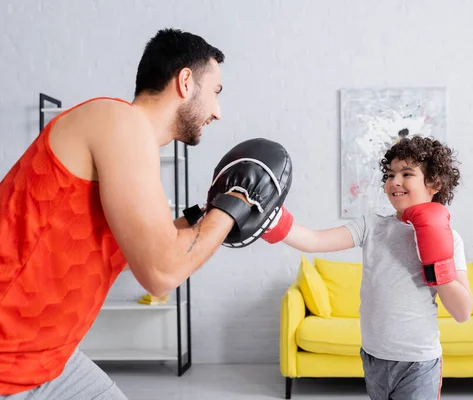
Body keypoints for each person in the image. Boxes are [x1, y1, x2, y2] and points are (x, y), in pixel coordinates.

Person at [0, 28, 282, 399]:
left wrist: (210, 211)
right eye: (215, 93)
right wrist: (237, 203)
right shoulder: (118, 120)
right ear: (185, 81)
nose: (217, 112)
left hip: (49, 358)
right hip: (9, 361)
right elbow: (161, 272)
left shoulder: (127, 144)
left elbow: (150, 246)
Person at [260, 134, 473, 399]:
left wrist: (437, 262)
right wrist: (270, 218)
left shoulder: (451, 239)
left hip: (418, 362)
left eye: (407, 173)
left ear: (435, 183)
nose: (394, 181)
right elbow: (315, 240)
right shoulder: (372, 226)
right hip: (374, 357)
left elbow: (462, 312)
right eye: (390, 174)